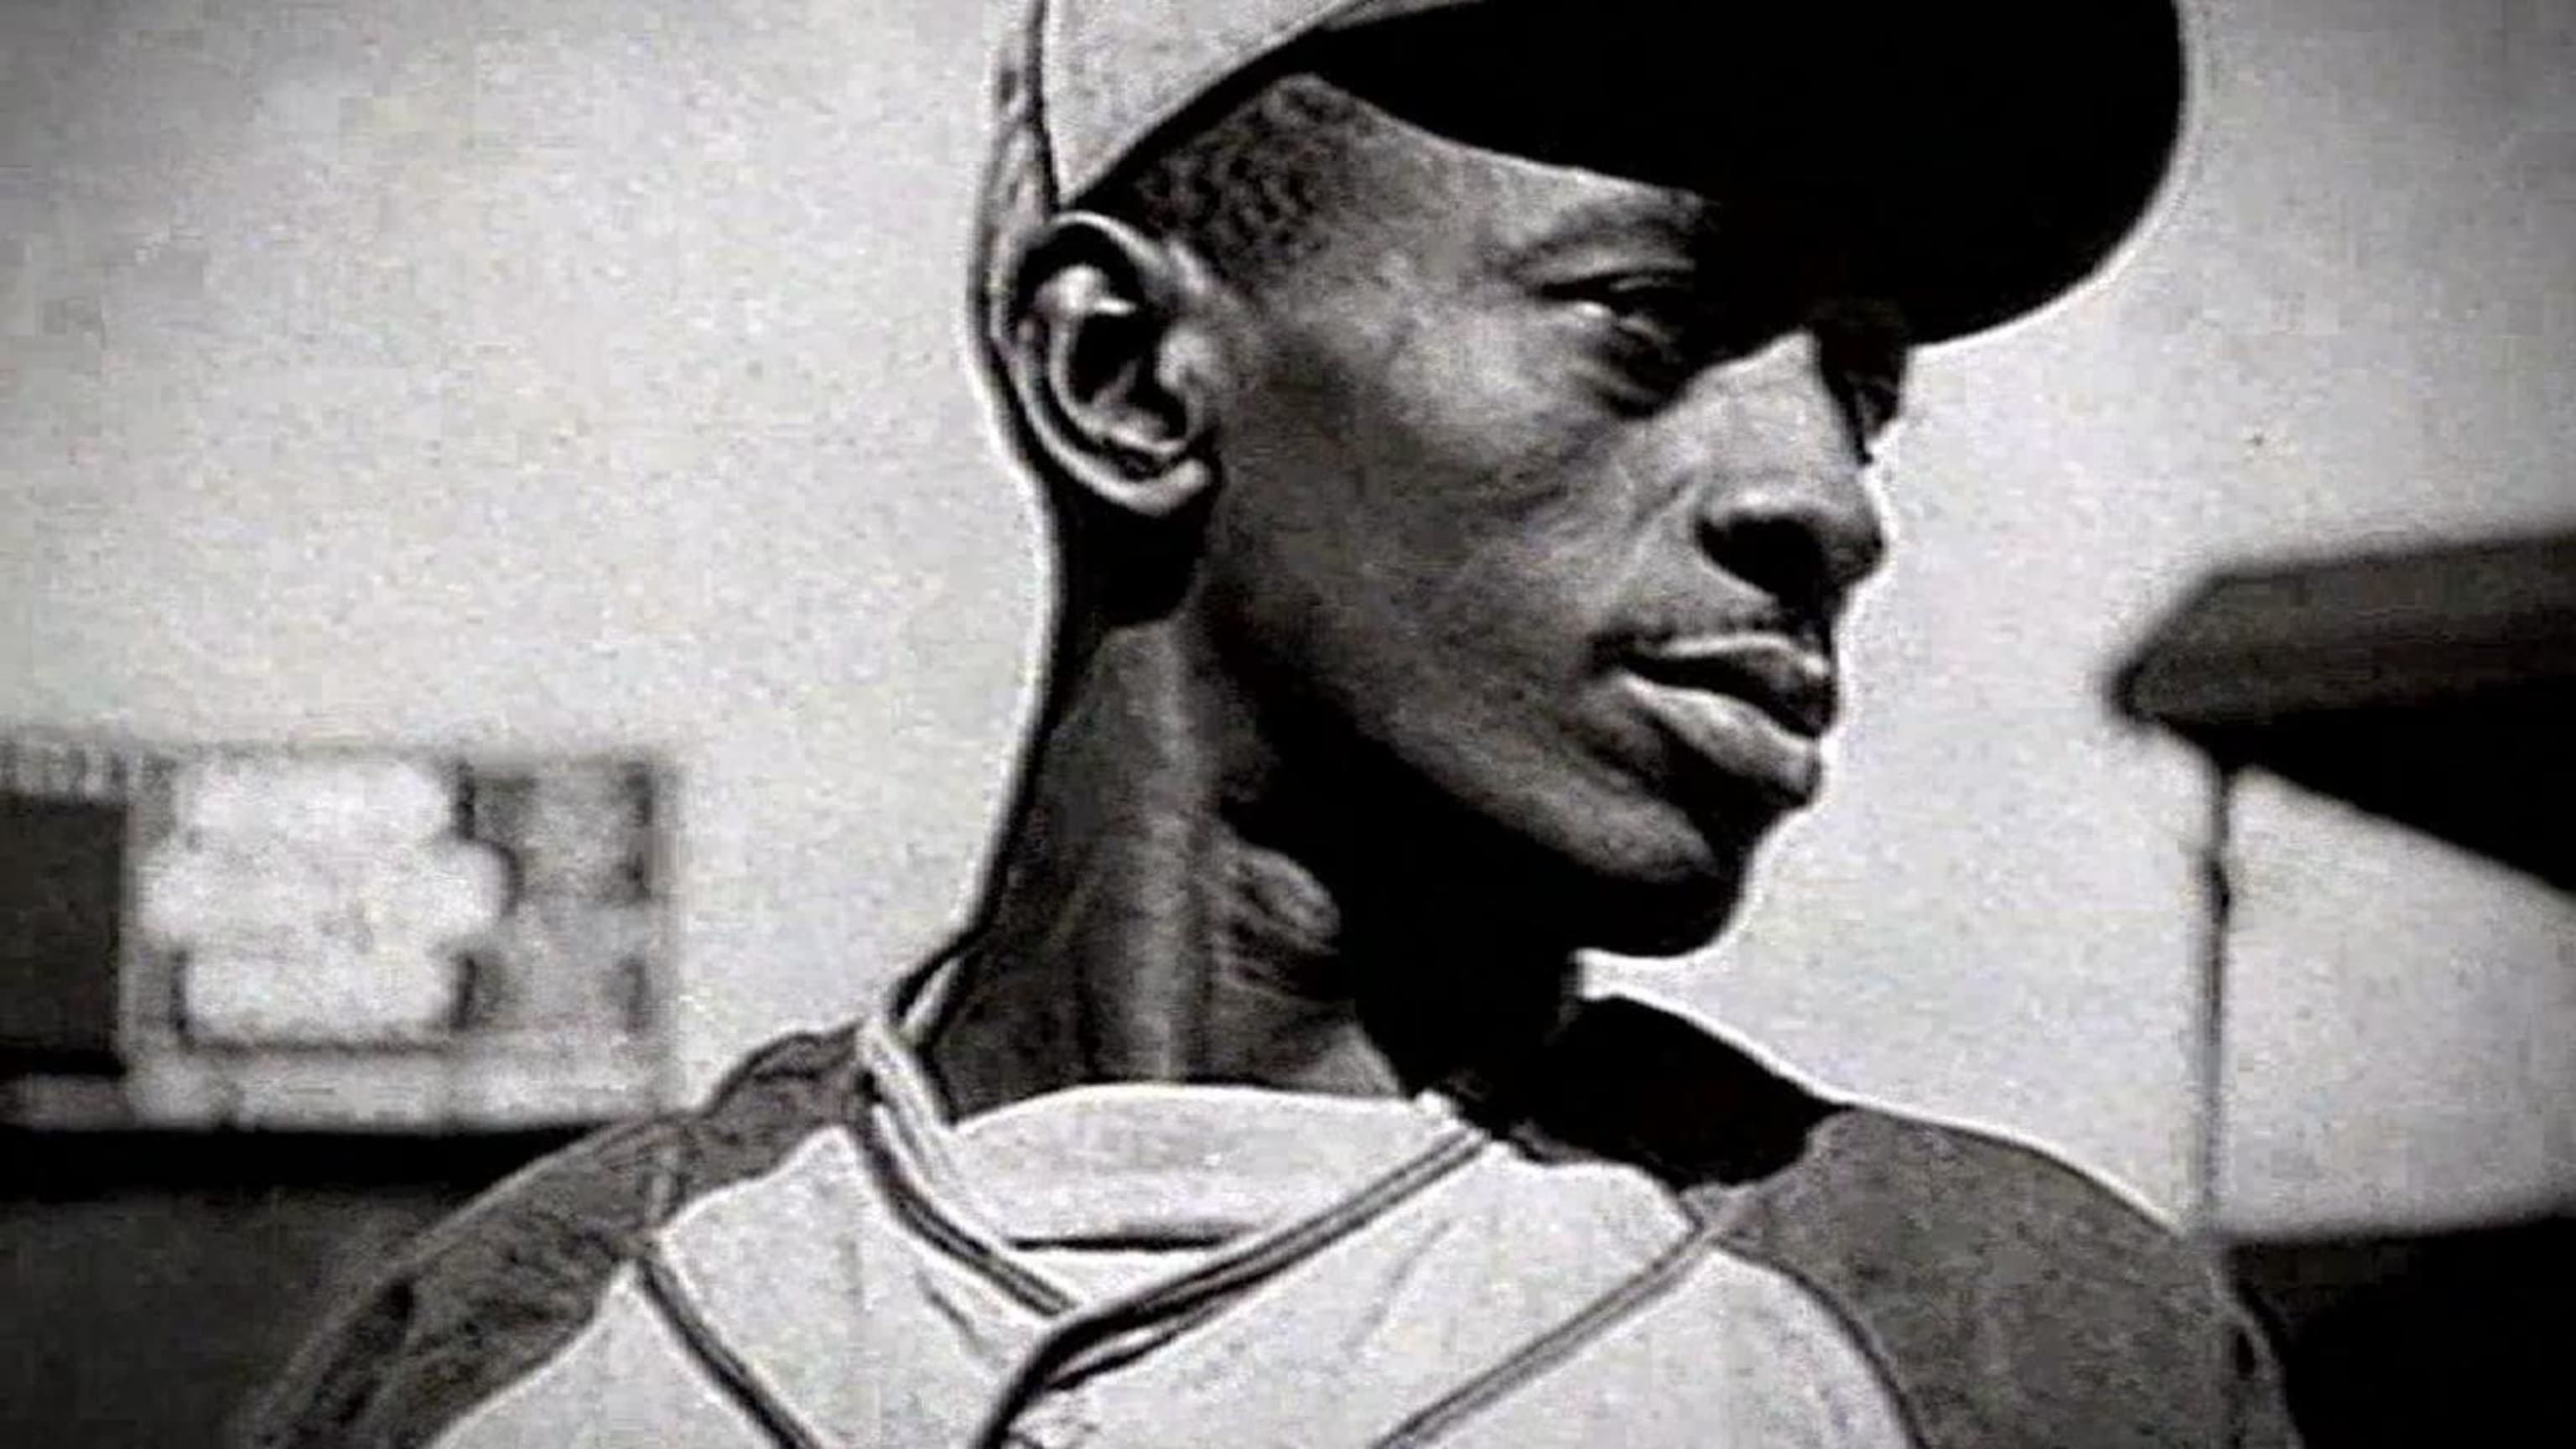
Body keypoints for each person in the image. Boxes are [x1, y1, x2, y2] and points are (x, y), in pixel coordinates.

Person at [247, 2, 2299, 1445]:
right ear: (1127, 373)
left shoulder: (2018, 1359)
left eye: (1860, 384)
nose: (1831, 503)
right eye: (1654, 321)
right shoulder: (496, 1359)